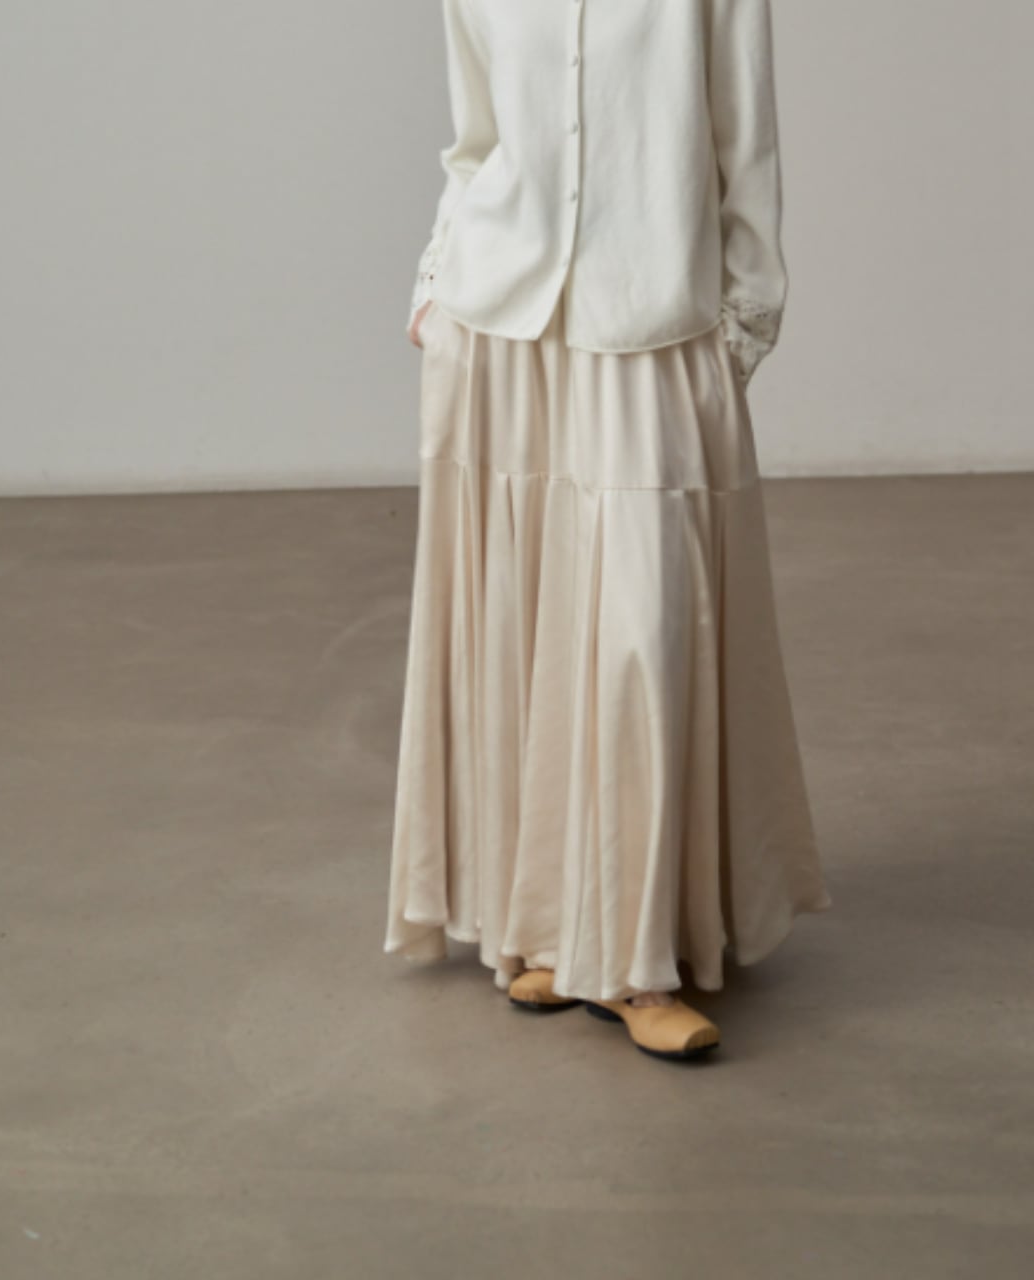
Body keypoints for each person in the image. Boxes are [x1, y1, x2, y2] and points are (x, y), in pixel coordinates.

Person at [383, 0, 833, 1063]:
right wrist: (433, 285)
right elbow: (475, 142)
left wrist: (742, 328)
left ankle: (635, 960)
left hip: (649, 325)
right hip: (501, 329)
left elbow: (745, 147)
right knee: (522, 637)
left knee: (642, 633)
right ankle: (550, 927)